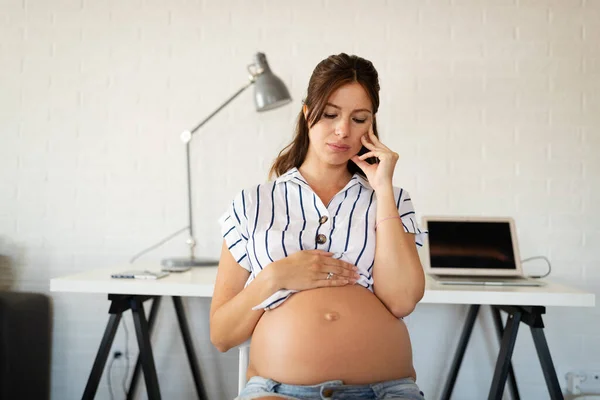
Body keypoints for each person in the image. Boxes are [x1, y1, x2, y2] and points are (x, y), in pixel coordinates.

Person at [210, 53, 427, 400]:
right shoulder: (253, 203)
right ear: (307, 112)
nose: (343, 130)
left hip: (386, 391)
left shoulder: (392, 199)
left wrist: (383, 187)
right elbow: (221, 336)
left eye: (359, 119)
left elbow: (402, 300)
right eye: (330, 114)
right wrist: (275, 277)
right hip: (278, 391)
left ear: (372, 125)